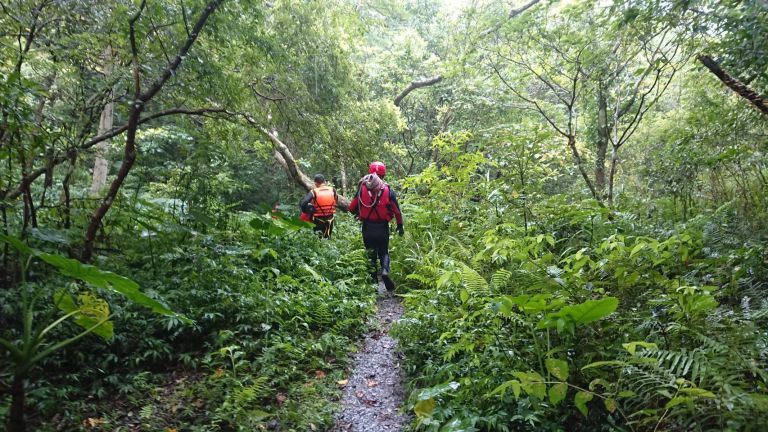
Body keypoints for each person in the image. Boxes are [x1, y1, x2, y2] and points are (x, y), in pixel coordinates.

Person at [348, 161, 404, 291]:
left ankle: (373, 284)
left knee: (371, 254)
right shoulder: (388, 190)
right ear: (383, 174)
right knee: (384, 252)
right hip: (382, 227)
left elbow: (351, 208)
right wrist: (400, 225)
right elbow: (397, 211)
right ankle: (385, 271)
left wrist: (360, 212)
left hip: (367, 227)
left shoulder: (361, 188)